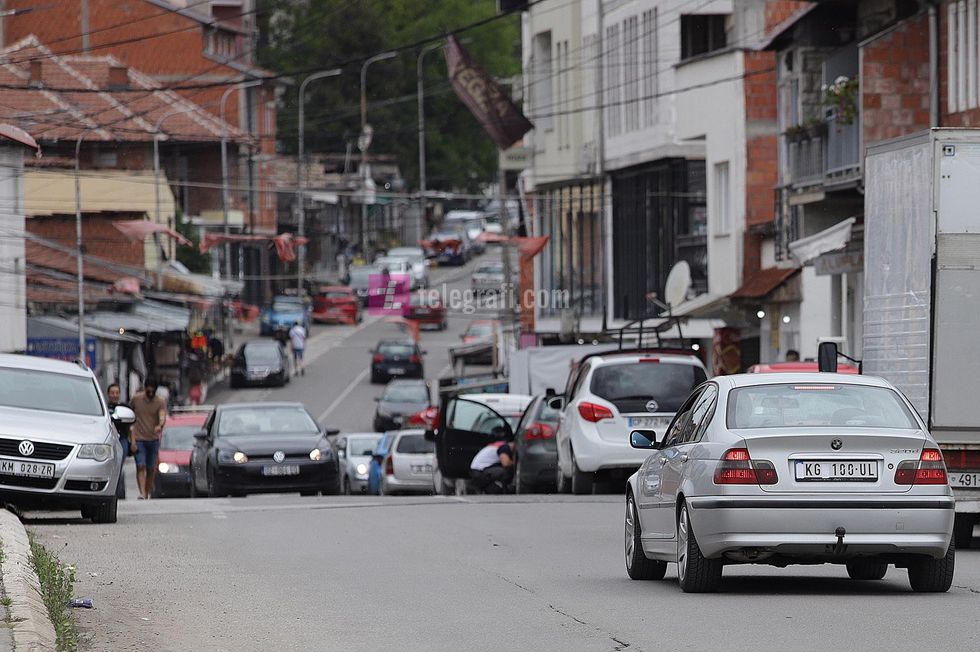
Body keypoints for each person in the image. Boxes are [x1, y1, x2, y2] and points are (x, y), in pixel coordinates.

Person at [130, 378, 167, 500]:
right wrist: (133, 440)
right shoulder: (136, 399)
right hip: (139, 438)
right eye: (148, 389)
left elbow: (162, 415)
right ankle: (141, 492)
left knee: (151, 468)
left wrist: (160, 425)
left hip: (153, 439)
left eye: (153, 390)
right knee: (141, 465)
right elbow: (131, 418)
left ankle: (146, 491)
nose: (150, 392)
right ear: (145, 388)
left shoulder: (160, 401)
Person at [107, 383, 131, 498]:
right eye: (112, 393)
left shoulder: (125, 408)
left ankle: (118, 491)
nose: (114, 395)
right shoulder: (105, 408)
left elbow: (132, 426)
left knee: (119, 466)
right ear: (108, 394)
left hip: (122, 441)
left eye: (117, 393)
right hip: (108, 441)